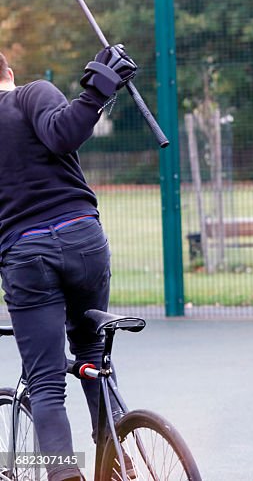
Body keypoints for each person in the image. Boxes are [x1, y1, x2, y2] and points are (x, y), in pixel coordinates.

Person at [0, 45, 137, 481]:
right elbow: (63, 133)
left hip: (25, 254)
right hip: (82, 238)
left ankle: (63, 474)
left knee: (45, 384)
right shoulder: (31, 93)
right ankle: (120, 462)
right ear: (9, 70)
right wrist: (99, 88)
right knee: (92, 354)